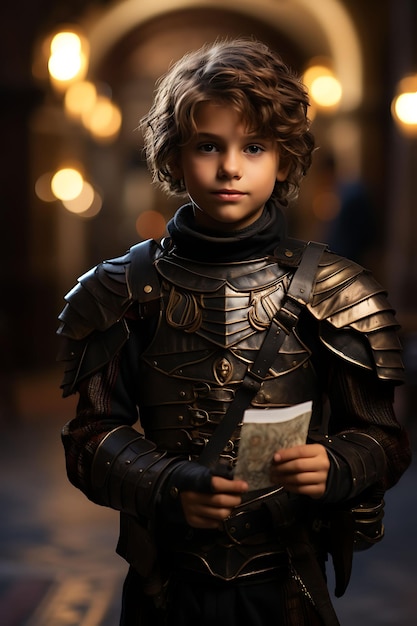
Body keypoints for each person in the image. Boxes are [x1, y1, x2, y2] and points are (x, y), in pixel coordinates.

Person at [57, 38, 411, 626]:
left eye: (254, 147)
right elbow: (91, 435)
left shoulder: (339, 292)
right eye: (207, 146)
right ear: (173, 157)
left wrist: (337, 464)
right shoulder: (118, 290)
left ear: (284, 157)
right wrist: (168, 483)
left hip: (287, 575)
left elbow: (383, 438)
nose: (230, 167)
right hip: (166, 580)